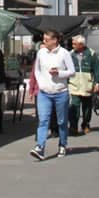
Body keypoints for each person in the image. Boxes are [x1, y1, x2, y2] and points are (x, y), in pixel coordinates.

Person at [31, 30, 74, 160]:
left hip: (60, 92)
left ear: (55, 40)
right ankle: (40, 147)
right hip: (44, 92)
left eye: (46, 40)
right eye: (44, 39)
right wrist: (41, 82)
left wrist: (59, 73)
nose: (44, 42)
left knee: (61, 121)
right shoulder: (41, 53)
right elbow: (37, 69)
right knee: (43, 120)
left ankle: (62, 144)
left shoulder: (64, 53)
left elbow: (72, 71)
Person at [68, 35, 99, 134]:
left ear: (81, 44)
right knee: (74, 106)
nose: (72, 45)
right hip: (74, 85)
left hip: (87, 85)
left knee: (87, 107)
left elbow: (97, 69)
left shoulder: (91, 54)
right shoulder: (70, 54)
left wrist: (97, 82)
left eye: (75, 44)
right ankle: (73, 126)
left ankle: (85, 124)